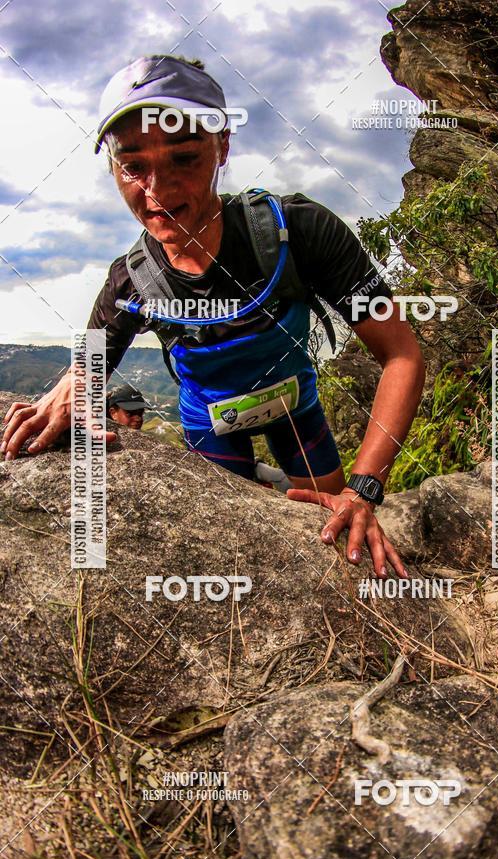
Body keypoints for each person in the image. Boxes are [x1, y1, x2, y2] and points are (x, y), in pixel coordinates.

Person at [1, 55, 425, 578]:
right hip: (211, 426)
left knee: (337, 537)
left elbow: (401, 354)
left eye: (183, 157)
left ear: (223, 146)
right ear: (114, 169)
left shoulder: (297, 232)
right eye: (134, 167)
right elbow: (87, 369)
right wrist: (69, 388)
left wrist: (363, 492)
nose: (157, 189)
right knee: (242, 550)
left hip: (297, 410)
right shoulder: (130, 282)